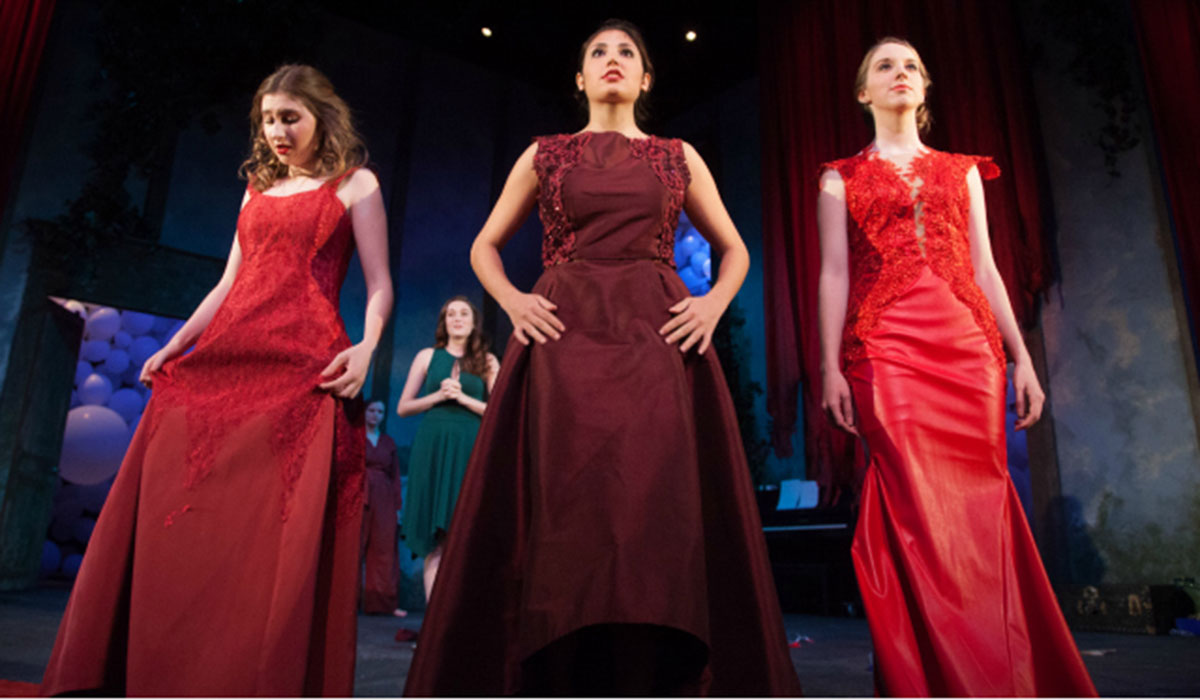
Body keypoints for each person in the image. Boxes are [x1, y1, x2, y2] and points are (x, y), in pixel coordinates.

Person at [404, 19, 801, 696]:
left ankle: (659, 668)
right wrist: (511, 301)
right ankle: (562, 666)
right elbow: (484, 245)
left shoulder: (678, 156)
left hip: (655, 336)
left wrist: (708, 307)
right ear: (580, 78)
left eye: (627, 54)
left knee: (650, 505)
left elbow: (735, 249)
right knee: (571, 508)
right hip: (563, 337)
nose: (611, 60)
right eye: (598, 52)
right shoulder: (544, 154)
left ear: (646, 79)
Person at [40, 64, 392, 696]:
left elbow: (379, 284)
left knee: (273, 532)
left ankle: (255, 676)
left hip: (304, 366)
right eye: (268, 119)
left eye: (291, 117)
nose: (277, 131)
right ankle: (168, 670)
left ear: (321, 117)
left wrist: (368, 348)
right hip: (230, 354)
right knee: (190, 512)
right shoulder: (255, 192)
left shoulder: (354, 184)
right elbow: (229, 282)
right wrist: (175, 345)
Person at [816, 38, 1096, 696]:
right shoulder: (839, 177)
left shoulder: (962, 171)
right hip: (884, 347)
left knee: (979, 511)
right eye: (885, 66)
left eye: (911, 65)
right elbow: (833, 274)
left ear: (926, 87)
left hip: (968, 349)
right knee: (915, 513)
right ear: (864, 93)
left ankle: (999, 674)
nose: (901, 74)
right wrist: (829, 366)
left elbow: (987, 269)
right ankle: (932, 674)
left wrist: (1021, 357)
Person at [396, 296, 497, 602]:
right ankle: (432, 621)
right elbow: (403, 407)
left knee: (464, 532)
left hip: (469, 448)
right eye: (451, 314)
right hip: (434, 449)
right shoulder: (427, 357)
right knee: (434, 537)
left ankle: (460, 619)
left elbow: (499, 411)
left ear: (473, 321)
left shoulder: (488, 361)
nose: (457, 318)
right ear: (444, 322)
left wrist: (464, 399)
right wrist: (439, 396)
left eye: (463, 313)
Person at [360, 398, 405, 616]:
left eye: (380, 411)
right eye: (371, 410)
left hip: (384, 497)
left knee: (384, 549)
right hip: (361, 494)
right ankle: (346, 603)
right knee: (355, 547)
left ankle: (383, 603)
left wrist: (397, 507)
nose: (375, 415)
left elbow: (395, 476)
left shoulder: (388, 442)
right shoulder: (356, 437)